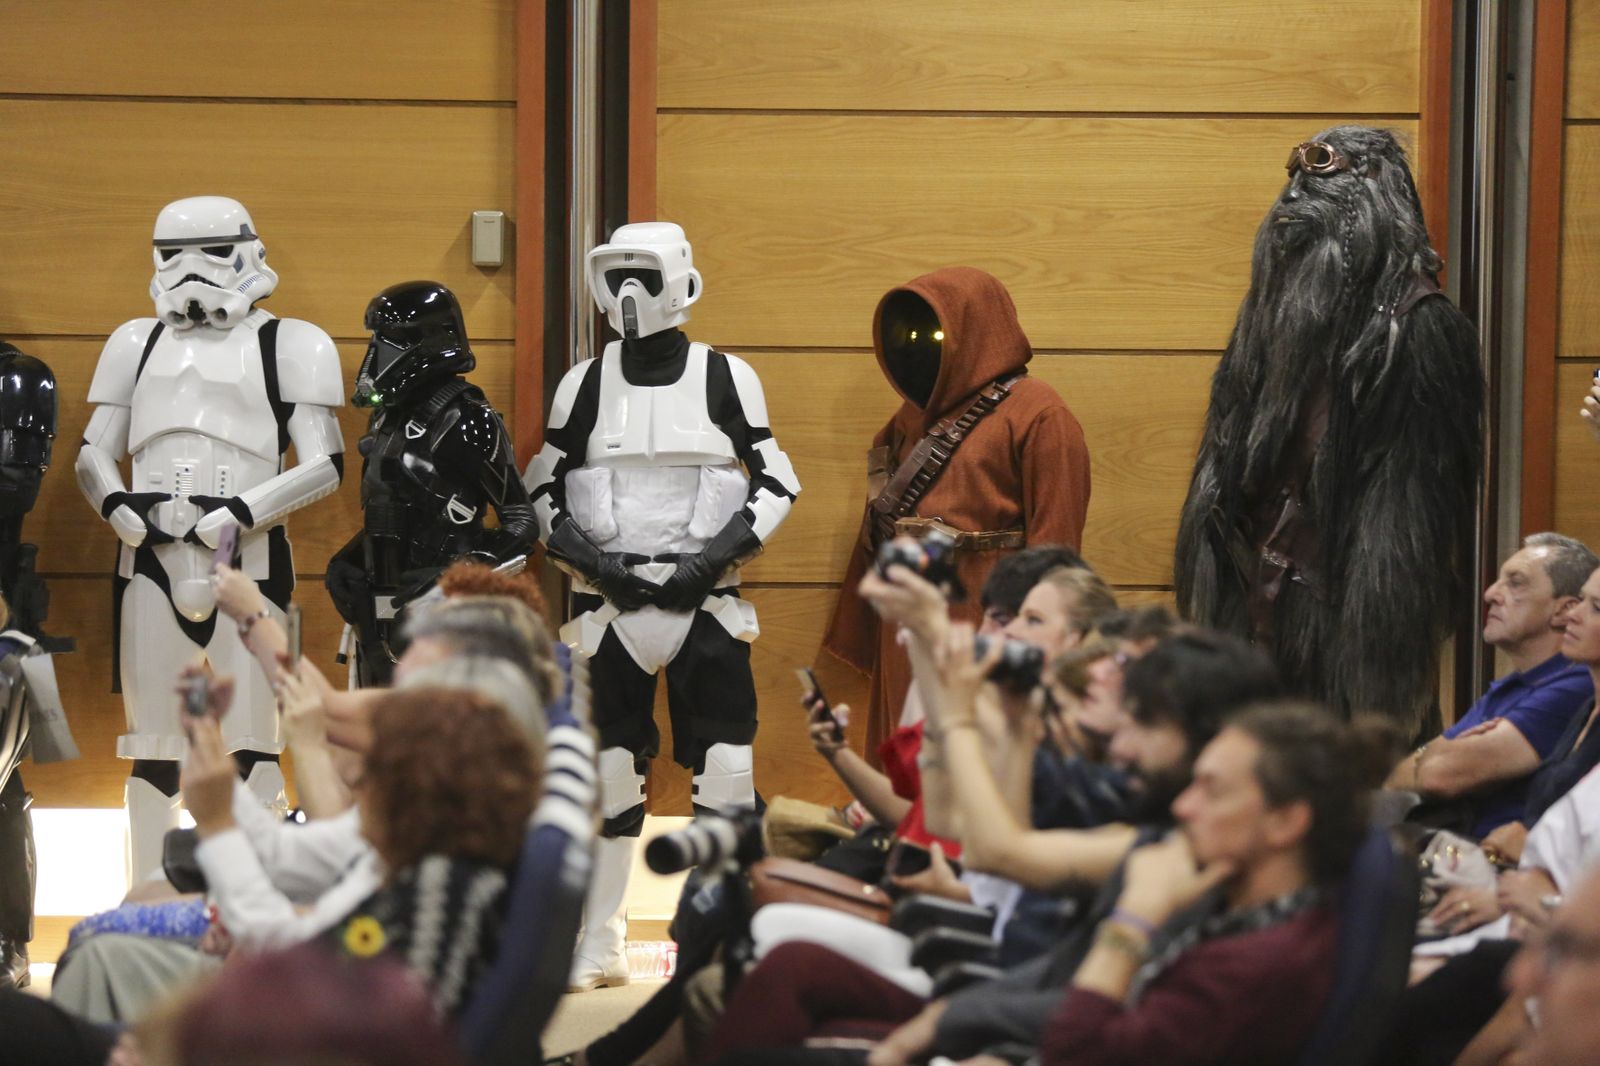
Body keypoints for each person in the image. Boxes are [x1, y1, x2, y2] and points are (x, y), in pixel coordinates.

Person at [525, 221, 801, 991]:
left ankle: (715, 939)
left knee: (727, 779)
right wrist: (593, 563)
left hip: (706, 603)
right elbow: (543, 486)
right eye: (614, 276)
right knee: (608, 777)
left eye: (643, 274)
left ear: (682, 280)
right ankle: (600, 938)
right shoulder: (583, 383)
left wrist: (713, 560)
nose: (629, 294)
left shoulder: (725, 376)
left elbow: (777, 481)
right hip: (608, 608)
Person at [1175, 126, 1483, 735]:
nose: (1290, 202)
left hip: (1345, 624)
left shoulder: (1421, 332)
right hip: (1251, 607)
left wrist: (1375, 684)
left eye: (1317, 186)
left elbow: (1406, 528)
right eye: (1289, 184)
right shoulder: (1268, 319)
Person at [75, 195, 346, 881]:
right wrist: (117, 507)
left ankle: (261, 896)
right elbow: (92, 453)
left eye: (212, 252)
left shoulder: (292, 344)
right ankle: (146, 896)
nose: (192, 272)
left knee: (255, 742)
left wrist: (243, 513)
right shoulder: (134, 343)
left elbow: (325, 464)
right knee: (157, 746)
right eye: (174, 256)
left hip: (247, 560)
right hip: (150, 560)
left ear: (249, 251)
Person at [824, 266, 1090, 758]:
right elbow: (877, 527)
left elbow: (1057, 550)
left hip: (984, 619)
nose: (922, 345)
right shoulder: (907, 420)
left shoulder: (1040, 415)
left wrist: (1037, 640)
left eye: (940, 331)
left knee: (978, 768)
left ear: (977, 329)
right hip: (907, 618)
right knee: (904, 764)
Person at [1034, 702, 1394, 1065]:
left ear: (1285, 822)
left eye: (1213, 790)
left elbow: (1072, 1056)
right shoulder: (1267, 918)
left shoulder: (1249, 973)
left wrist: (1134, 916)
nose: (1183, 806)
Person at [326, 280, 539, 687]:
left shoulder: (468, 418)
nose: (374, 356)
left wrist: (453, 576)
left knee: (444, 742)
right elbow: (392, 508)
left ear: (424, 344)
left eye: (387, 342)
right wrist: (349, 563)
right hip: (380, 613)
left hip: (446, 619)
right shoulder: (386, 419)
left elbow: (521, 522)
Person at [1387, 534, 1596, 839]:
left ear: (1564, 609)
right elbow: (1397, 778)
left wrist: (1438, 754)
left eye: (1516, 583)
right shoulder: (1511, 685)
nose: (1490, 594)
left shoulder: (1578, 685)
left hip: (1501, 865)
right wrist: (1435, 755)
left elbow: (1439, 775)